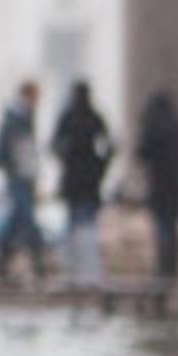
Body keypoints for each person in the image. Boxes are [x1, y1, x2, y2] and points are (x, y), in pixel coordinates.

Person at [52, 78, 115, 284]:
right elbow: (110, 146)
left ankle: (72, 271)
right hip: (90, 180)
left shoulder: (67, 117)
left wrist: (65, 158)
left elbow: (54, 145)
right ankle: (88, 273)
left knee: (73, 226)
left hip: (73, 180)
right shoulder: (94, 117)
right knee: (88, 226)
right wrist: (100, 165)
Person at [136, 90, 178, 286]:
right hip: (177, 185)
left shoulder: (152, 127)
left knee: (162, 228)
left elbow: (141, 154)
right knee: (172, 228)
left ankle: (164, 268)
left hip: (158, 186)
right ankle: (172, 267)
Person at [0, 80, 48, 288]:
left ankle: (3, 263)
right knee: (26, 218)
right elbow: (6, 150)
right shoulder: (17, 119)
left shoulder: (22, 118)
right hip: (19, 176)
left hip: (23, 175)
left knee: (16, 221)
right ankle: (38, 262)